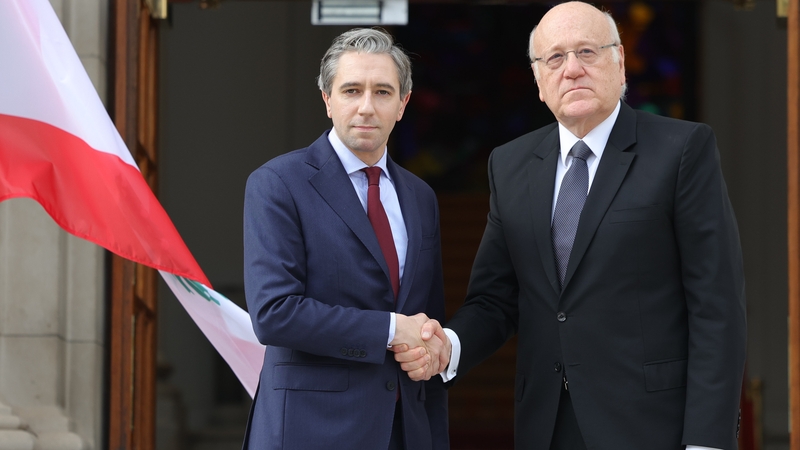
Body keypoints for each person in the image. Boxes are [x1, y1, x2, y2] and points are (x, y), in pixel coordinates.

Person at [397, 2, 746, 449]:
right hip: (547, 426)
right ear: (539, 80)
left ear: (620, 63)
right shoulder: (510, 164)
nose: (572, 69)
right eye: (555, 58)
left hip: (653, 426)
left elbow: (716, 306)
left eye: (587, 51)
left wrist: (707, 441)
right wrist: (449, 345)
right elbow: (495, 299)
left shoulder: (682, 151)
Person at [242, 28, 449, 450]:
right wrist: (391, 330)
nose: (366, 107)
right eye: (352, 90)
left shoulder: (420, 197)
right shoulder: (278, 183)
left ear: (403, 104)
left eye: (383, 92)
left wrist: (434, 351)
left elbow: (428, 320)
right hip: (310, 430)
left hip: (405, 429)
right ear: (327, 99)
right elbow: (274, 312)